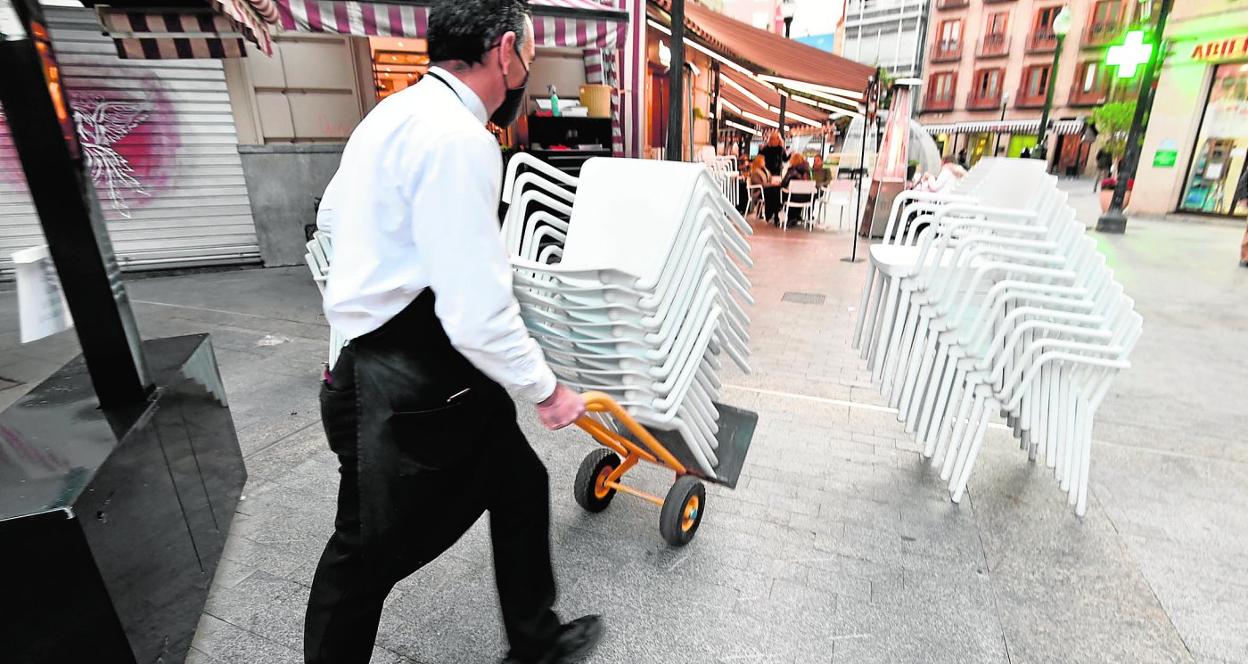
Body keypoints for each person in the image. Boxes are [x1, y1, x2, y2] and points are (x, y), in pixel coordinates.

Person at [304, 2, 603, 663]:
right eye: (527, 54)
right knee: (366, 551)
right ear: (505, 51)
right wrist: (548, 390)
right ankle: (534, 640)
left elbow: (329, 217)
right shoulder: (460, 140)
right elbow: (477, 308)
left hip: (396, 357)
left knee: (520, 481)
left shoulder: (393, 115)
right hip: (407, 375)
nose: (525, 68)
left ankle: (536, 640)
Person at [780, 152, 813, 226]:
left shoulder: (791, 171)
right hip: (806, 198)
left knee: (783, 194)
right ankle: (797, 215)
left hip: (793, 198)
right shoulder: (807, 170)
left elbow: (783, 184)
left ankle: (791, 218)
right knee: (798, 194)